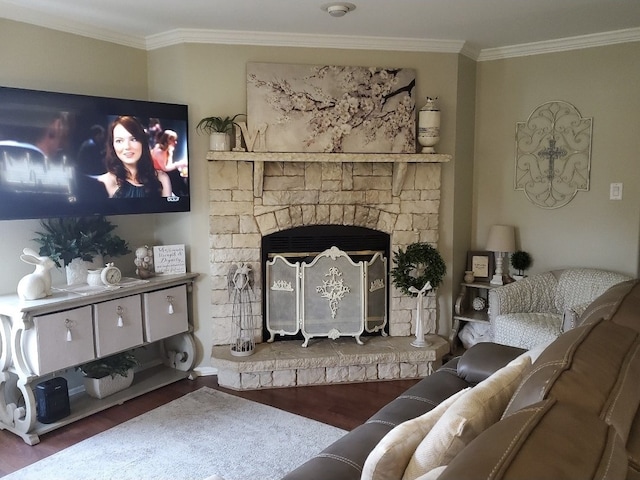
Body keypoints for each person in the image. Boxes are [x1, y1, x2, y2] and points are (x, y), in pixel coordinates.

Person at [98, 116, 172, 198]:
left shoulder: (162, 179)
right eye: (119, 141)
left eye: (133, 139)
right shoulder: (104, 182)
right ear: (113, 146)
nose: (127, 146)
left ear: (142, 143)